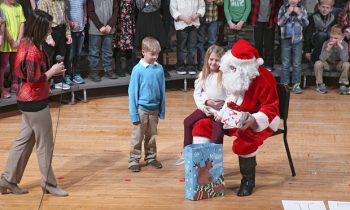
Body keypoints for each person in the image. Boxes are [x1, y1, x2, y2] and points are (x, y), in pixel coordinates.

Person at [190, 39, 280, 196]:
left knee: (244, 142)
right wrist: (221, 114)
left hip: (261, 119)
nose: (230, 70)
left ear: (246, 68)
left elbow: (271, 107)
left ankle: (248, 181)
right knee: (202, 125)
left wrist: (254, 119)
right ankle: (204, 178)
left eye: (234, 67)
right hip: (235, 116)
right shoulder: (233, 74)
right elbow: (231, 98)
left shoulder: (264, 78)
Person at [0, 10, 68, 196]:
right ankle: (49, 184)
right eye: (47, 27)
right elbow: (34, 79)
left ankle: (8, 179)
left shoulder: (28, 42)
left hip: (27, 100)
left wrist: (53, 70)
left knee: (24, 142)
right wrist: (52, 71)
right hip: (34, 102)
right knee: (45, 144)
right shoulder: (32, 50)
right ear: (39, 28)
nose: (50, 30)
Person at [175, 45, 226, 166]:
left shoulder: (224, 76)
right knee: (187, 122)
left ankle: (214, 162)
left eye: (217, 60)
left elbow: (230, 97)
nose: (213, 62)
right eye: (211, 59)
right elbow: (197, 93)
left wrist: (222, 113)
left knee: (217, 133)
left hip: (220, 112)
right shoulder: (204, 74)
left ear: (222, 61)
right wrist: (205, 105)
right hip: (207, 108)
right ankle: (186, 152)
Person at [128, 36, 166, 172]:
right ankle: (133, 160)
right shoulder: (137, 70)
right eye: (152, 54)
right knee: (138, 137)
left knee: (151, 136)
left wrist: (162, 110)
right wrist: (134, 114)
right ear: (143, 52)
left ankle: (151, 158)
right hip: (141, 110)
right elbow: (132, 93)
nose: (155, 57)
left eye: (157, 54)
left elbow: (162, 90)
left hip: (154, 110)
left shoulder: (159, 69)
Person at [37, 0, 72, 90]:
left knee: (60, 57)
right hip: (50, 31)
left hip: (61, 30)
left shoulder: (62, 1)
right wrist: (48, 38)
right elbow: (43, 22)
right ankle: (46, 83)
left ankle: (58, 81)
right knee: (48, 58)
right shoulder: (43, 2)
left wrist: (68, 34)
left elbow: (65, 18)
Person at [277, 0, 309, 94]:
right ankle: (284, 85)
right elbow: (280, 23)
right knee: (285, 63)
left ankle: (296, 84)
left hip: (298, 40)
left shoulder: (302, 9)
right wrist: (288, 13)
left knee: (296, 63)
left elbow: (306, 23)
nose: (293, 0)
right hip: (286, 39)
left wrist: (299, 14)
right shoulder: (283, 8)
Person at [170, 0, 205, 75]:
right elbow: (173, 9)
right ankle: (180, 65)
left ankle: (191, 65)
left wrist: (197, 15)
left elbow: (202, 6)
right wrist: (183, 18)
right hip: (181, 24)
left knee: (192, 46)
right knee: (182, 46)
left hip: (193, 23)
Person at [87, 0, 119, 82]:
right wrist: (100, 26)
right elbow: (90, 11)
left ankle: (108, 69)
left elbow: (116, 10)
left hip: (109, 29)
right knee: (94, 52)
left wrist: (110, 24)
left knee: (108, 51)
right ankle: (93, 72)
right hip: (95, 28)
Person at [313, 24, 349, 94]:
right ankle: (320, 84)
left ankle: (343, 84)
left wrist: (340, 47)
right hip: (328, 64)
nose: (333, 40)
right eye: (331, 37)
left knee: (347, 64)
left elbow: (345, 59)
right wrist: (328, 49)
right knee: (318, 63)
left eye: (336, 38)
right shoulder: (326, 43)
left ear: (341, 38)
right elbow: (321, 58)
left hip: (339, 64)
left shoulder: (344, 44)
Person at [0, 0, 25, 98]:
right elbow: (3, 26)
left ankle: (14, 84)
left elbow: (22, 23)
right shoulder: (1, 7)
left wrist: (19, 40)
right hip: (5, 43)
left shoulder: (19, 6)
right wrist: (12, 41)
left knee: (15, 65)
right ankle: (1, 89)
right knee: (2, 67)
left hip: (17, 43)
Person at [250, 0, 282, 71]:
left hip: (270, 21)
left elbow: (278, 5)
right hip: (258, 21)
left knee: (269, 44)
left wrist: (276, 17)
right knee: (258, 43)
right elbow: (252, 6)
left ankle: (269, 64)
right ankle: (259, 63)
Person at [197, 0, 223, 71]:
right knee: (200, 42)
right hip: (201, 19)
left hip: (213, 19)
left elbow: (221, 2)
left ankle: (211, 63)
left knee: (212, 42)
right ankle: (202, 63)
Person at [65, 0, 87, 85]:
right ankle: (67, 75)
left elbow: (84, 5)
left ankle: (76, 74)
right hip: (70, 31)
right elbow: (64, 12)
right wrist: (70, 23)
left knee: (78, 54)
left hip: (81, 29)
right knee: (70, 55)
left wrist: (85, 16)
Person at [114, 0, 136, 77]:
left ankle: (129, 67)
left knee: (129, 45)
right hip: (118, 21)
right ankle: (118, 68)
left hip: (129, 21)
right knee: (118, 45)